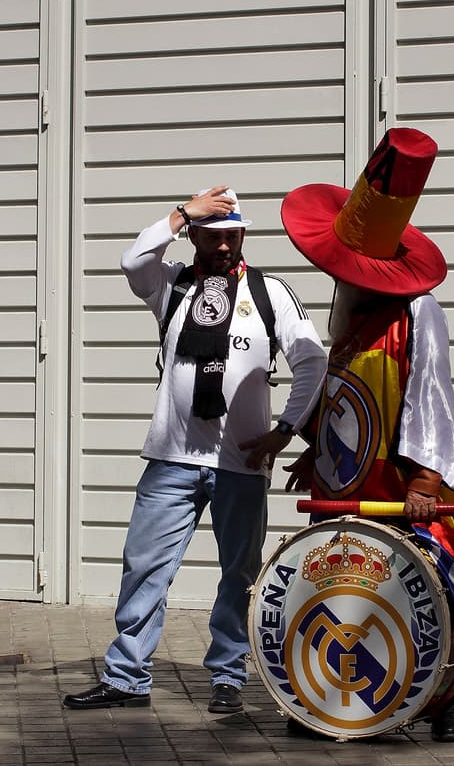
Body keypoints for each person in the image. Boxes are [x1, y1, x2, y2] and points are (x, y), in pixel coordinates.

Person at [63, 185, 327, 714]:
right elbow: (132, 258)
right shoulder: (173, 286)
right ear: (197, 239)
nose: (223, 245)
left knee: (239, 574)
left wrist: (286, 429)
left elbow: (312, 360)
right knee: (143, 566)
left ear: (244, 235)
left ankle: (228, 676)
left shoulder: (270, 292)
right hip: (172, 457)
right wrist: (182, 214)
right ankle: (126, 677)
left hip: (241, 464)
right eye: (212, 236)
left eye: (232, 235)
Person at [279, 128, 454, 742]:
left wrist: (425, 479)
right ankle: (339, 700)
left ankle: (445, 699)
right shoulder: (351, 316)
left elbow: (430, 396)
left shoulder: (418, 311)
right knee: (343, 587)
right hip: (352, 483)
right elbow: (344, 399)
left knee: (429, 588)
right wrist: (316, 452)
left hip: (405, 483)